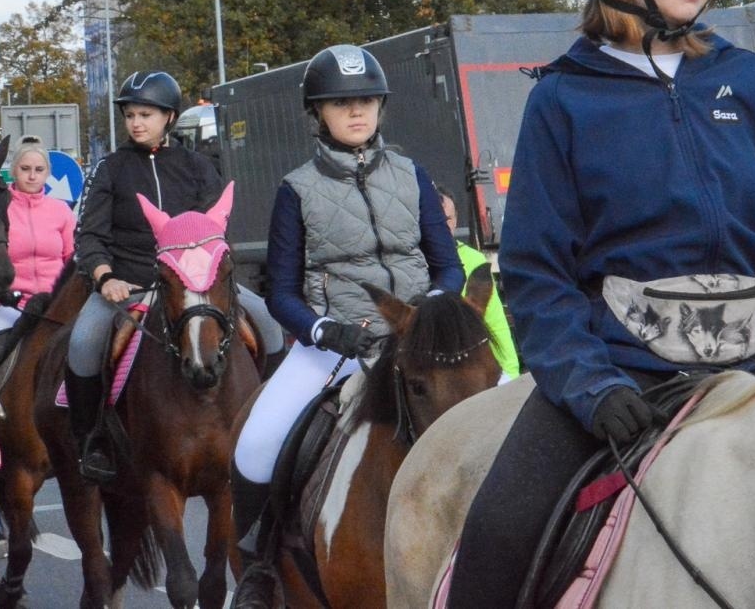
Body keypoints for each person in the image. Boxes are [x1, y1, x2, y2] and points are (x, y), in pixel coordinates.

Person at [446, 0, 755, 607]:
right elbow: (536, 274)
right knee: (499, 533)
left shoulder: (753, 81)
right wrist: (589, 384)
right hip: (623, 374)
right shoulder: (563, 101)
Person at [230, 45, 465, 583]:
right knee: (257, 443)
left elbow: (448, 266)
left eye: (367, 100)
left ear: (381, 106)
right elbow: (281, 293)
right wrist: (324, 330)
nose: (357, 111)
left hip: (420, 343)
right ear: (318, 113)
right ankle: (259, 572)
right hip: (337, 346)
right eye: (341, 103)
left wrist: (427, 312)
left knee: (508, 416)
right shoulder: (296, 190)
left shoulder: (412, 175)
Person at [64, 71, 285, 485]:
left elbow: (216, 231)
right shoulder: (110, 169)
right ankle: (92, 441)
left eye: (145, 114)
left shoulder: (198, 167)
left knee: (271, 326)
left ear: (169, 117)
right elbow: (89, 235)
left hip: (196, 285)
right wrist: (104, 277)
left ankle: (272, 426)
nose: (136, 123)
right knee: (82, 342)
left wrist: (209, 276)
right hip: (127, 284)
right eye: (130, 115)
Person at [0, 138, 75, 336]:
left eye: (39, 170)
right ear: (13, 171)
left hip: (55, 305)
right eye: (25, 169)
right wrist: (0, 295)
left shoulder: (62, 210)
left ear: (47, 173)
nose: (32, 176)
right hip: (10, 305)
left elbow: (72, 258)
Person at [436, 186, 519, 379]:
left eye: (448, 219)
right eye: (437, 220)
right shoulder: (413, 263)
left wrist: (511, 373)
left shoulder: (474, 260)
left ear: (456, 219)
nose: (444, 226)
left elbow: (495, 323)